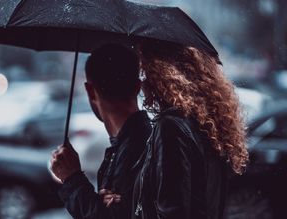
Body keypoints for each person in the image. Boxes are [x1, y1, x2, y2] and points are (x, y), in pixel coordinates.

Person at [130, 41, 249, 219]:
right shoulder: (210, 126)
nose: (144, 82)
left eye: (146, 71)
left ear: (161, 75)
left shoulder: (171, 127)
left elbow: (172, 208)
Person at [50, 43, 152, 219]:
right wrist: (99, 204)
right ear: (138, 86)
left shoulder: (135, 149)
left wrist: (72, 179)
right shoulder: (140, 139)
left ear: (90, 91)